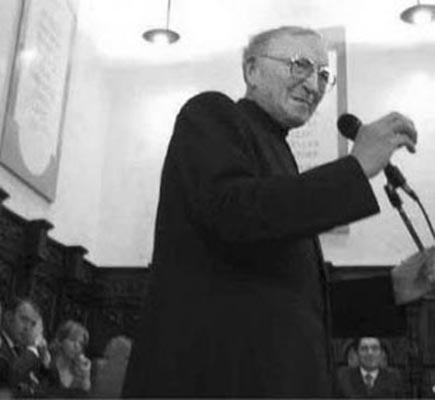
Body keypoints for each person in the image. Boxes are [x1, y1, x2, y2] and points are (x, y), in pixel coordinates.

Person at [122, 26, 435, 398]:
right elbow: (233, 214)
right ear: (252, 70)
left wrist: (390, 289)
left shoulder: (282, 158)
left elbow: (290, 300)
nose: (313, 85)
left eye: (323, 75)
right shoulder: (211, 114)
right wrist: (354, 169)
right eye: (300, 65)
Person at [0, 297, 49, 397]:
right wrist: (33, 348)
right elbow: (11, 378)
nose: (28, 328)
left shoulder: (23, 351)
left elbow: (43, 390)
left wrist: (45, 363)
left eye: (33, 324)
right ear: (9, 317)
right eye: (24, 319)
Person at [336, 337, 405, 398]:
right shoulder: (343, 378)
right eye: (364, 349)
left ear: (381, 353)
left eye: (375, 348)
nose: (370, 353)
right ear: (357, 353)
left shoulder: (394, 378)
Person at [45, 320, 92, 398]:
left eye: (81, 343)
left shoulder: (79, 371)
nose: (77, 346)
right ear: (60, 341)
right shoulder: (48, 363)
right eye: (72, 340)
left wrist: (86, 376)